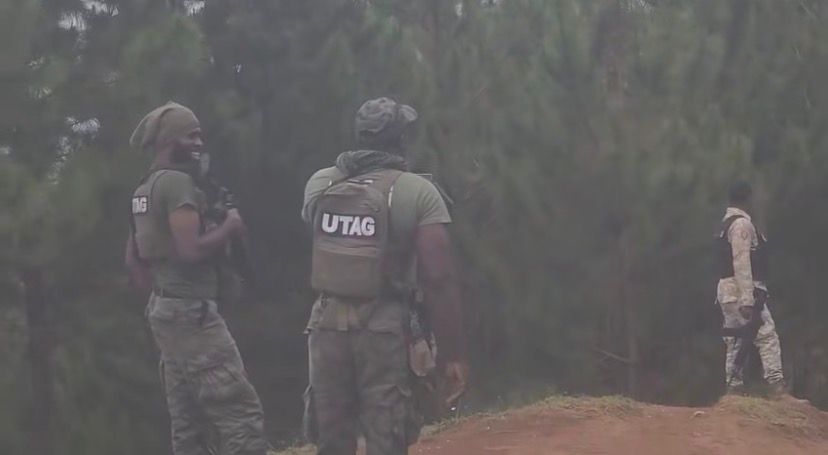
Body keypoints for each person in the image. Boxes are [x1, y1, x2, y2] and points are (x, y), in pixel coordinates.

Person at [301, 97, 469, 454]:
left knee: (332, 436)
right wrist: (451, 354)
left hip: (325, 323)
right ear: (400, 138)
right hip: (383, 327)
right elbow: (438, 277)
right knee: (386, 434)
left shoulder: (320, 183)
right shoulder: (416, 191)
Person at [125, 102, 269, 455]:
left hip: (165, 310)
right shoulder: (178, 184)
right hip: (193, 312)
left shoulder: (144, 188)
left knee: (188, 423)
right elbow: (189, 250)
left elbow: (133, 259)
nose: (199, 142)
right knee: (240, 413)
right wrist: (230, 227)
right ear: (169, 139)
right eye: (191, 135)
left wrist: (163, 302)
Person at [717, 180, 791, 398]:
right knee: (766, 334)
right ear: (747, 198)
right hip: (743, 291)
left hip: (727, 291)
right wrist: (747, 300)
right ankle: (776, 385)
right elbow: (742, 261)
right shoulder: (741, 225)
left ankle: (734, 387)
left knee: (736, 338)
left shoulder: (725, 224)